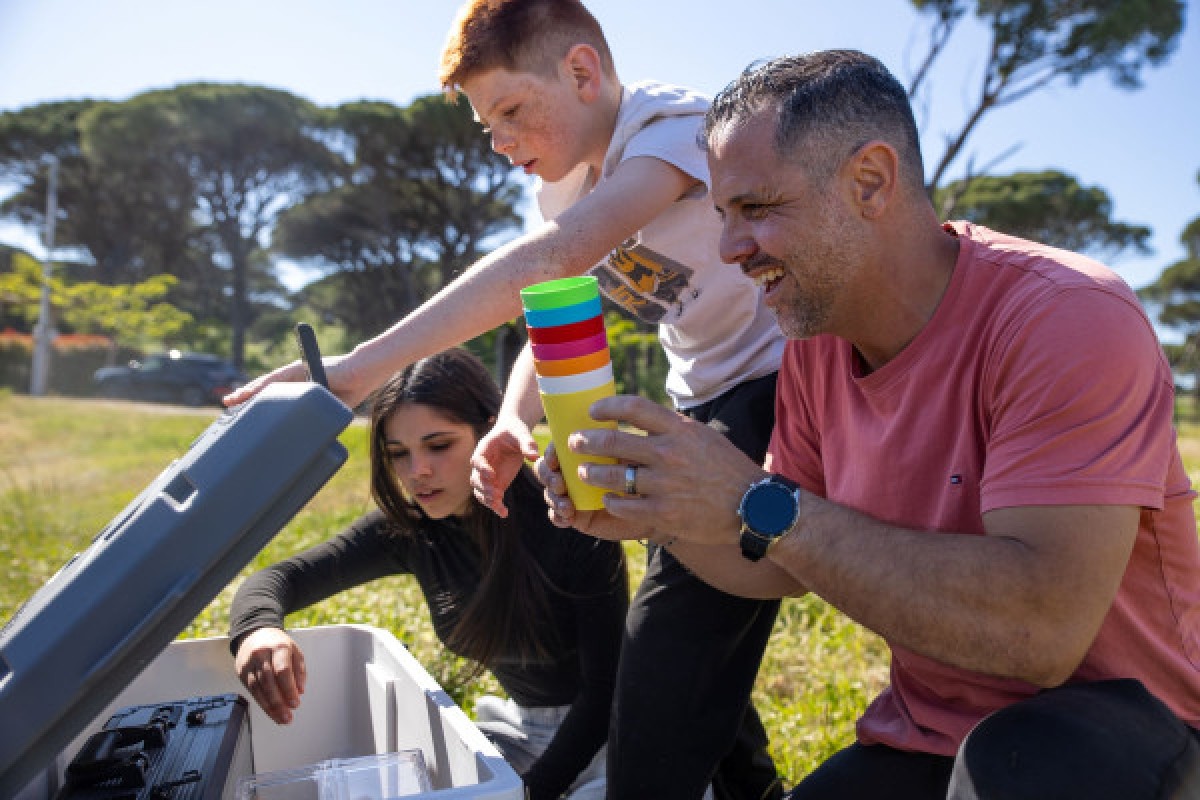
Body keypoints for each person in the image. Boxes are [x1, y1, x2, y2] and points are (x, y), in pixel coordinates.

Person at [535, 49, 1200, 799]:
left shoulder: (1066, 317)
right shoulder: (816, 344)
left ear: (871, 183)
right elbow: (780, 562)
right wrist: (662, 512)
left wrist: (754, 501)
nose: (729, 248)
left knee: (1021, 766)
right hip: (931, 738)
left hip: (1127, 730)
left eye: (757, 208)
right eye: (723, 216)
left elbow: (1041, 635)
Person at [226, 2, 787, 798]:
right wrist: (510, 421)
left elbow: (553, 260)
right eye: (487, 125)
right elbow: (555, 321)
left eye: (512, 111)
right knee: (690, 616)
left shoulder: (673, 129)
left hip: (778, 378)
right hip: (696, 392)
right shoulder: (561, 193)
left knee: (670, 632)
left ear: (583, 72)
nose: (500, 141)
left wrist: (356, 369)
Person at [228, 349, 628, 800]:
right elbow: (279, 579)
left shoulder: (567, 516)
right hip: (517, 733)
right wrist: (258, 630)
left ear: (490, 431)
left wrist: (530, 793)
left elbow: (605, 691)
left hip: (614, 735)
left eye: (439, 446)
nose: (417, 471)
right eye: (398, 453)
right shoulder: (410, 530)